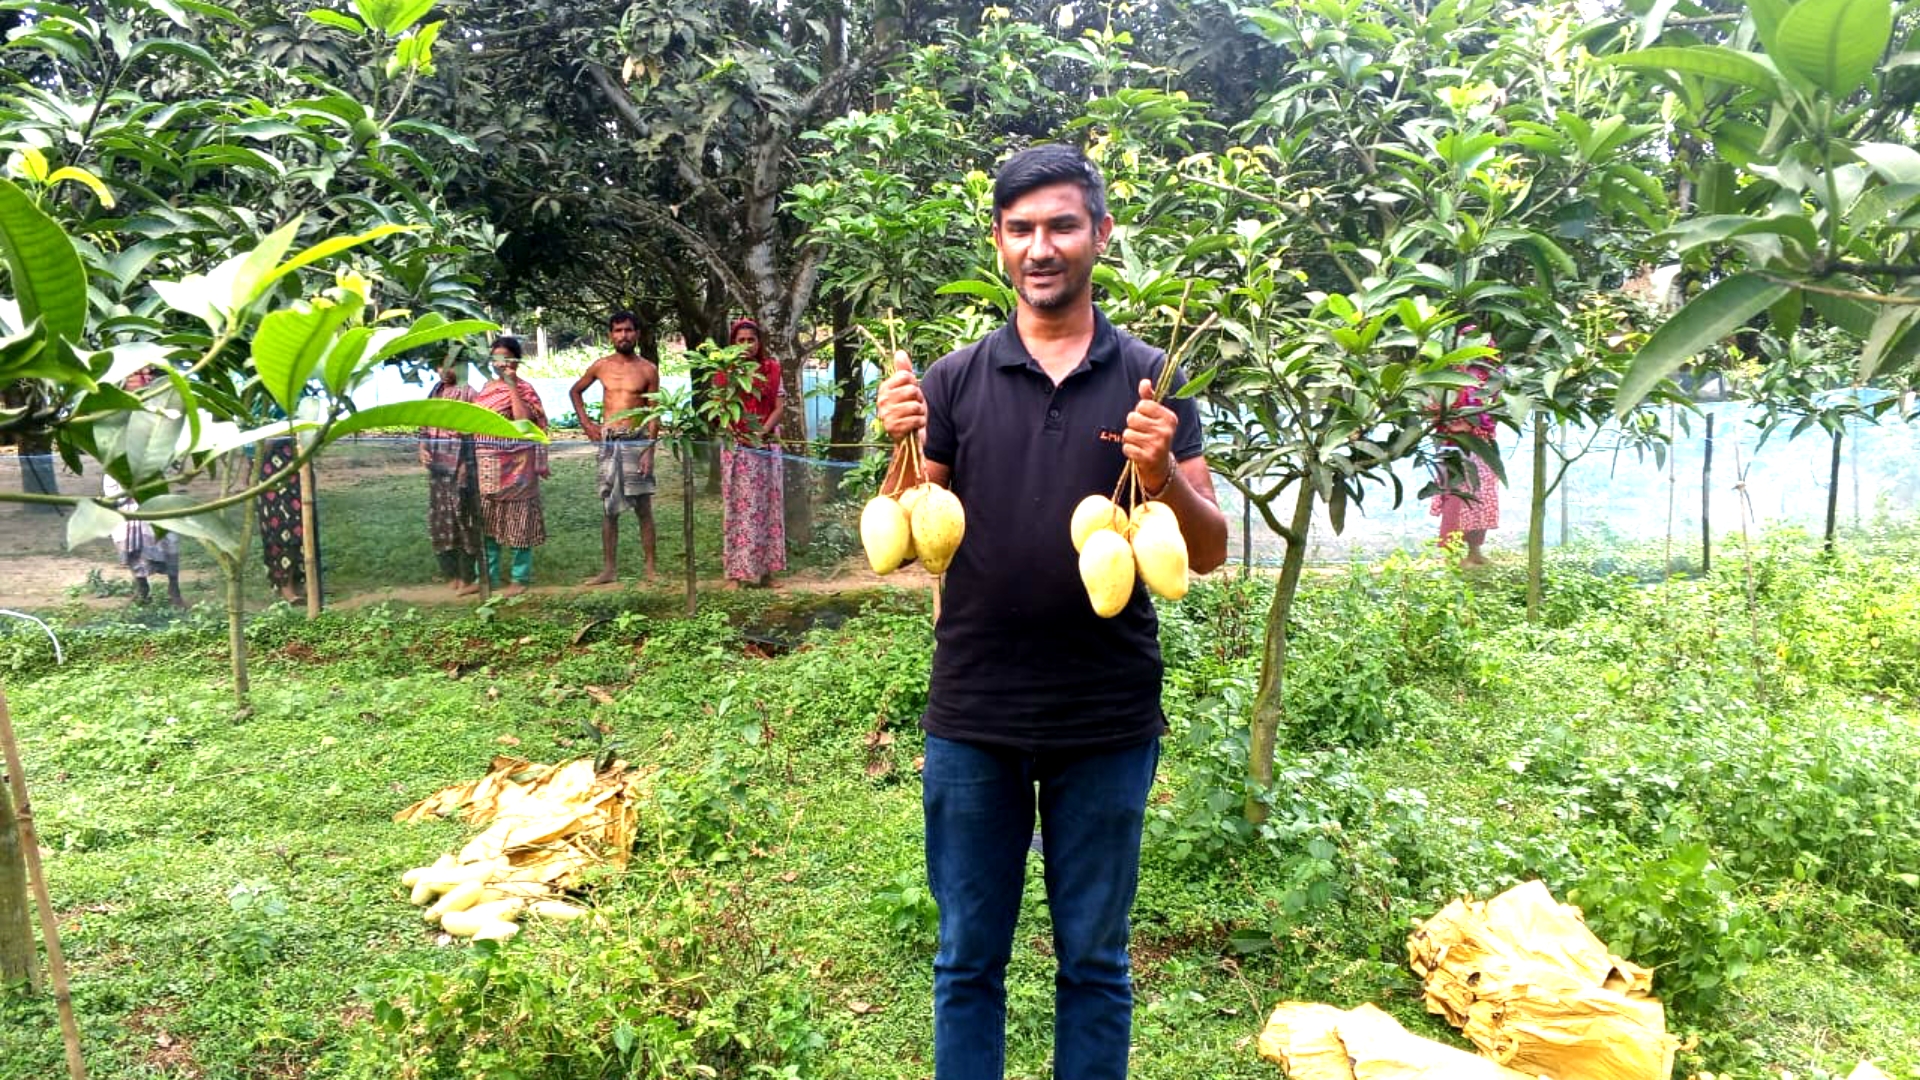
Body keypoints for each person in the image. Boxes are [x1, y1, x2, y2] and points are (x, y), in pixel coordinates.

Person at [875, 144, 1228, 1080]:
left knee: (1097, 964)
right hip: (975, 714)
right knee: (966, 964)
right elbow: (908, 535)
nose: (1043, 246)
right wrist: (901, 444)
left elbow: (1208, 549)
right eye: (1022, 228)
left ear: (1099, 237)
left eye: (1063, 225)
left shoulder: (1151, 378)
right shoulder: (952, 381)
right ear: (999, 244)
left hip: (1106, 718)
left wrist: (1158, 476)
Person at [570, 310, 661, 584]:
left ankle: (650, 570)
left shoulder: (648, 369)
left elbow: (655, 412)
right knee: (609, 507)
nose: (624, 335)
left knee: (643, 507)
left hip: (636, 440)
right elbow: (575, 391)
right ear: (611, 334)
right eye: (618, 330)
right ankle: (609, 569)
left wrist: (649, 450)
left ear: (637, 334)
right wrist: (587, 424)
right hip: (609, 442)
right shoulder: (601, 366)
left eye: (629, 330)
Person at [474, 337, 550, 596]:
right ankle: (487, 576)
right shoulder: (485, 389)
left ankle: (520, 578)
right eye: (496, 358)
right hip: (487, 466)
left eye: (506, 357)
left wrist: (511, 385)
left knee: (519, 523)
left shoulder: (525, 389)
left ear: (515, 360)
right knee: (487, 523)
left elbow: (523, 420)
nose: (500, 363)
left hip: (517, 468)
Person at [715, 317, 786, 588]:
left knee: (768, 507)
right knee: (738, 506)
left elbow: (779, 407)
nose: (746, 345)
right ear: (733, 344)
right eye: (740, 340)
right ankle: (736, 573)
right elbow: (720, 407)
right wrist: (735, 431)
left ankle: (767, 572)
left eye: (751, 340)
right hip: (736, 446)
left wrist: (762, 432)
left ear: (759, 342)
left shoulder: (772, 368)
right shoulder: (724, 373)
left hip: (766, 444)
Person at [1428, 338, 1502, 567]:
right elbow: (1434, 407)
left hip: (1481, 447)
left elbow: (1494, 410)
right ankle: (1452, 554)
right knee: (1455, 499)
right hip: (1454, 445)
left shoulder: (1492, 377)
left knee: (1480, 500)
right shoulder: (1449, 375)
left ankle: (1474, 551)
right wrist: (1452, 423)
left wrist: (1475, 424)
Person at [420, 360, 483, 595]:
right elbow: (424, 427)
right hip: (437, 469)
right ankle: (451, 573)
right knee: (440, 520)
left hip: (461, 467)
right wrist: (423, 448)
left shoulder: (469, 394)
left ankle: (468, 575)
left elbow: (478, 432)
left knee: (463, 519)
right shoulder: (434, 392)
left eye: (449, 365)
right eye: (439, 366)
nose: (443, 371)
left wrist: (468, 464)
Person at [103, 473, 183, 607]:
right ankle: (142, 588)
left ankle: (174, 590)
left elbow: (160, 486)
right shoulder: (112, 471)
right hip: (127, 513)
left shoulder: (151, 465)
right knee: (132, 548)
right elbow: (112, 497)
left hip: (154, 507)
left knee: (168, 543)